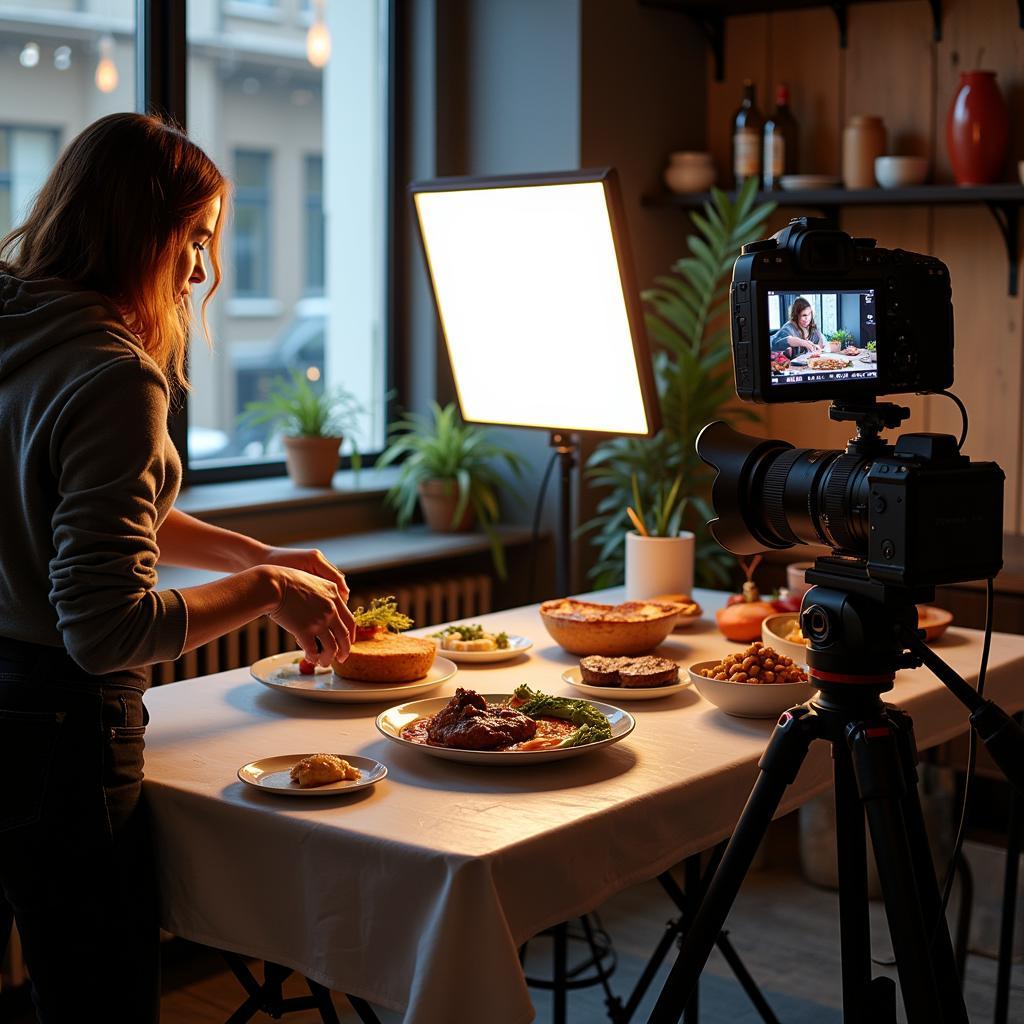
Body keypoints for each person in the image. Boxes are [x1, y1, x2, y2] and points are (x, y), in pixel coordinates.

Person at [0, 113, 356, 1023]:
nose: (202, 271)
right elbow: (106, 628)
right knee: (96, 1001)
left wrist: (255, 551)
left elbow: (92, 512)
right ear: (137, 232)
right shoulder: (113, 374)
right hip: (60, 736)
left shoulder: (18, 333)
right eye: (195, 239)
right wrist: (270, 590)